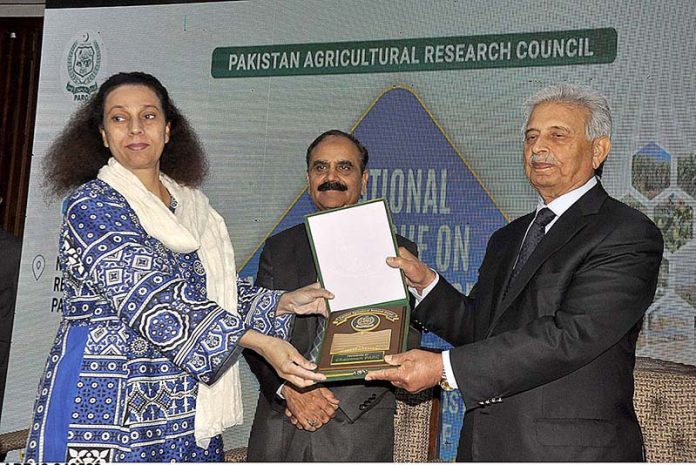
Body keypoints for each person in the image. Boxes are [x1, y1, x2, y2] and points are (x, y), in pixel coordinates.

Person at [26, 72, 333, 463]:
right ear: (103, 135)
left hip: (181, 403)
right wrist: (258, 341)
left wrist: (284, 303)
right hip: (104, 394)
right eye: (119, 118)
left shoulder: (192, 207)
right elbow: (151, 294)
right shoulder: (92, 205)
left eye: (149, 116)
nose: (135, 128)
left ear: (169, 130)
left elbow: (210, 290)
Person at [367, 84, 664, 461]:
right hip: (484, 447)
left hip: (569, 453)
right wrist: (426, 284)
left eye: (558, 135)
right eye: (531, 136)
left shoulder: (626, 233)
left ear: (598, 150)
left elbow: (571, 335)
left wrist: (445, 367)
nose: (539, 148)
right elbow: (482, 330)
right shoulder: (508, 237)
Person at [244, 129, 418, 461]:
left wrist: (331, 405)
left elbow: (404, 338)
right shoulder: (280, 248)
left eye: (344, 167)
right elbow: (254, 332)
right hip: (281, 421)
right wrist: (291, 390)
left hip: (355, 426)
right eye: (320, 168)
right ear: (309, 177)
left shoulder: (396, 250)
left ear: (364, 179)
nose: (331, 177)